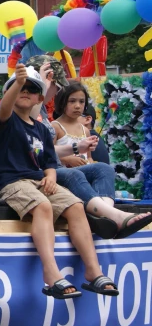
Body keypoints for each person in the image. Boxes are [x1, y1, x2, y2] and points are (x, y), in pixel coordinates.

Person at [0, 64, 117, 299]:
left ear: (40, 97)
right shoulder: (6, 119)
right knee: (43, 206)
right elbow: (4, 108)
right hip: (8, 183)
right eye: (19, 88)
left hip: (38, 181)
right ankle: (51, 274)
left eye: (31, 89)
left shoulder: (40, 128)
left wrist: (50, 175)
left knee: (77, 206)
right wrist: (17, 82)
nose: (24, 91)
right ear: (9, 93)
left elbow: (50, 161)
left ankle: (93, 271)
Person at [51, 82, 152, 239]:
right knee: (88, 172)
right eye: (72, 101)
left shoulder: (85, 130)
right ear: (62, 102)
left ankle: (105, 214)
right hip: (65, 173)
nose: (77, 105)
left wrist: (90, 163)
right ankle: (114, 215)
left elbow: (89, 157)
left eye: (81, 101)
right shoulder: (55, 126)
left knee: (105, 168)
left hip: (83, 172)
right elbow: (46, 155)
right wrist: (68, 158)